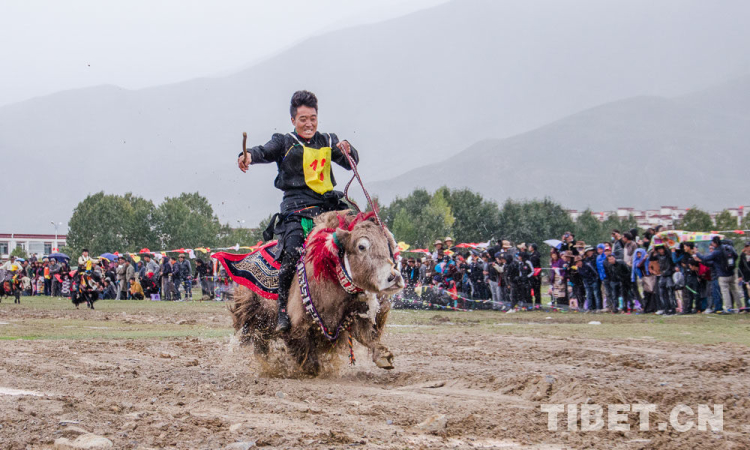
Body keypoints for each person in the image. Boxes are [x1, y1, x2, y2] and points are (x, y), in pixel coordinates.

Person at [237, 90, 359, 333]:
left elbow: (351, 163)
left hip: (329, 207)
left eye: (313, 118)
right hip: (297, 210)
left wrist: (349, 149)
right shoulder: (284, 142)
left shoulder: (328, 140)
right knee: (292, 252)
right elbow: (264, 151)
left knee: (360, 235)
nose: (309, 124)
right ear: (293, 120)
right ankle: (283, 310)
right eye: (303, 119)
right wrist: (247, 155)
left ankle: (363, 296)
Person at [695, 236, 742, 313]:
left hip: (722, 275)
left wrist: (697, 253)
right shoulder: (729, 248)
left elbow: (706, 258)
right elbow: (736, 256)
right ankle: (740, 306)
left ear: (715, 243)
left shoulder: (716, 252)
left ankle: (728, 308)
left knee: (725, 292)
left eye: (712, 243)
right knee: (735, 290)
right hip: (731, 273)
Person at [650, 244, 677, 315]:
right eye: (659, 250)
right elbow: (651, 258)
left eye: (661, 249)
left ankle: (672, 309)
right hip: (662, 275)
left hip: (669, 275)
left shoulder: (668, 255)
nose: (660, 251)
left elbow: (671, 256)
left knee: (670, 292)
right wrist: (653, 251)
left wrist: (666, 246)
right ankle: (666, 308)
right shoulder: (658, 256)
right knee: (662, 293)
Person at [580, 247, 602, 311]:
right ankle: (590, 308)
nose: (589, 252)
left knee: (596, 294)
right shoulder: (586, 260)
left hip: (595, 278)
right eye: (588, 251)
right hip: (588, 279)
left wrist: (596, 277)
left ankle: (598, 308)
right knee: (589, 294)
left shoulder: (596, 258)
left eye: (590, 251)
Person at [739, 242, 750, 307]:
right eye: (746, 247)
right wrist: (740, 275)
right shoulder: (742, 255)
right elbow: (740, 266)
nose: (748, 248)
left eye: (748, 246)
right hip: (745, 276)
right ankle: (747, 305)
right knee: (745, 291)